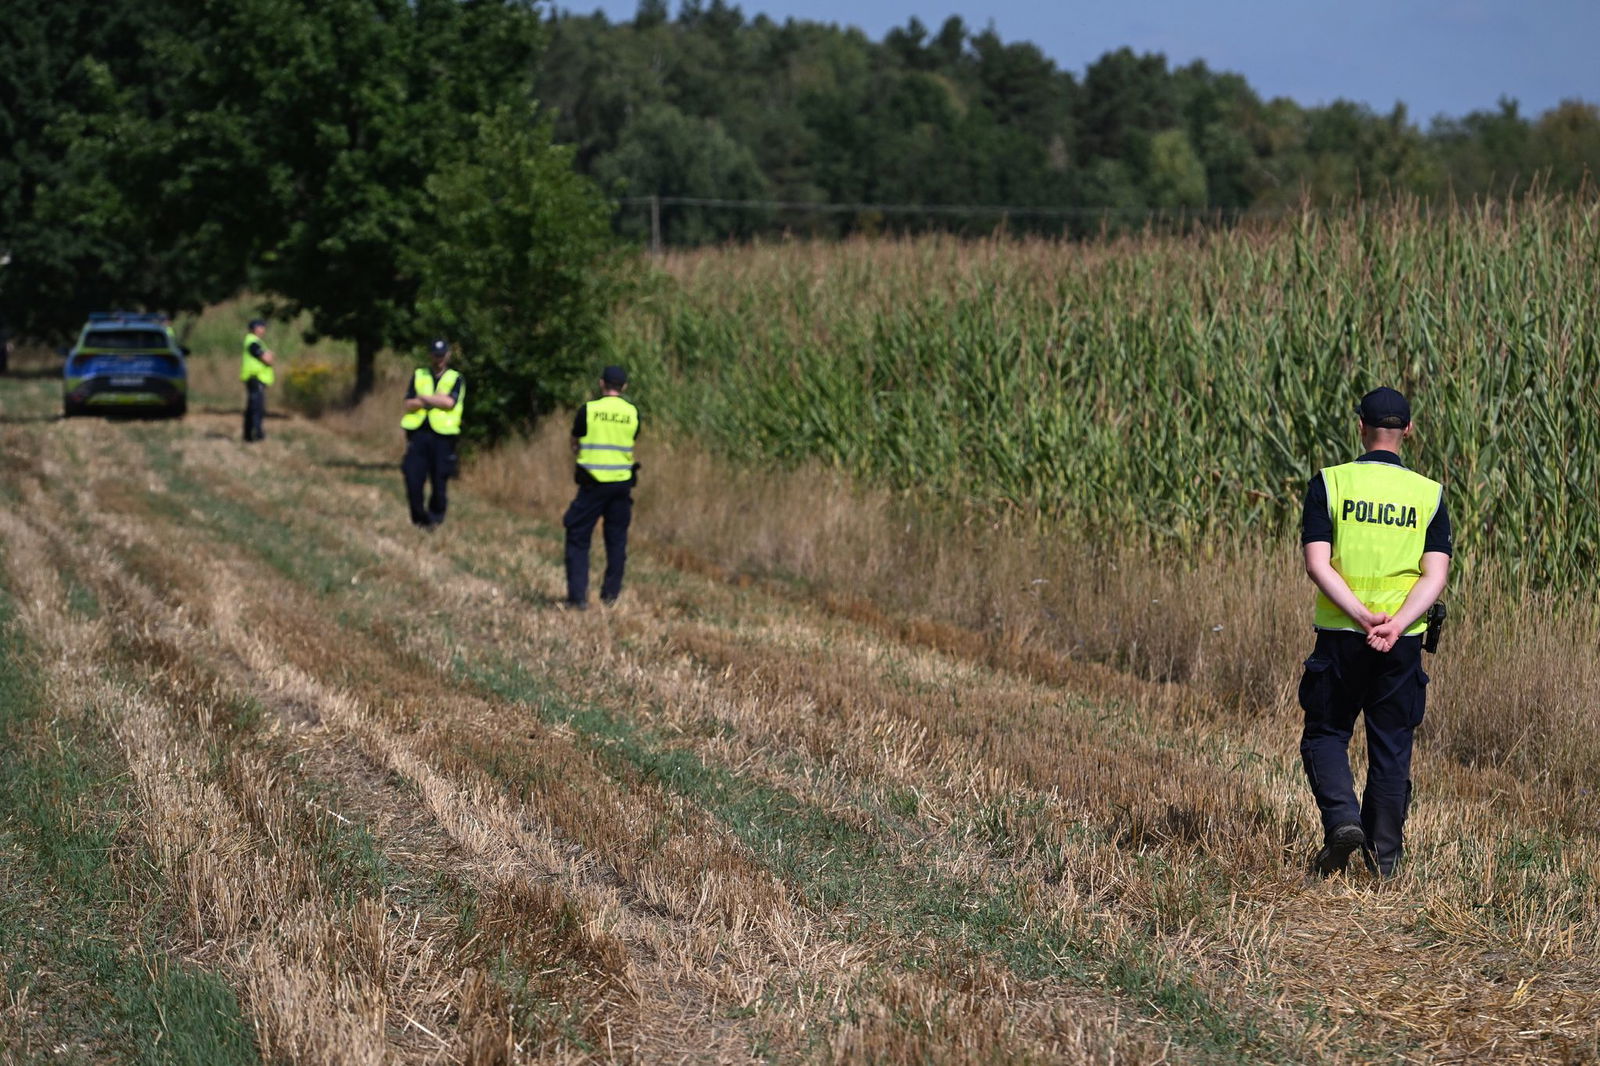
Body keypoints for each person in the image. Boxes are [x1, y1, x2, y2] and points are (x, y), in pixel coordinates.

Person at [1298, 386, 1452, 878]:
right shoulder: (1429, 494)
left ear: (1359, 425)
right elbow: (1435, 575)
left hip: (1343, 636)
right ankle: (1382, 862)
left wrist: (1362, 616)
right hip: (1401, 643)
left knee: (1325, 734)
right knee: (1391, 747)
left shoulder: (1331, 483)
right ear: (1408, 430)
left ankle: (1343, 819)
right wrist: (1399, 623)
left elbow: (1317, 565)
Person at [563, 365, 640, 608]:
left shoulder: (589, 410)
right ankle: (610, 596)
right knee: (616, 540)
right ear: (624, 386)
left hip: (592, 484)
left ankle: (578, 598)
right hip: (621, 485)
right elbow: (631, 439)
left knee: (577, 536)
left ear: (601, 383)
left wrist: (581, 452)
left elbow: (575, 440)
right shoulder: (633, 413)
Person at [401, 338, 464, 529]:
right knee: (412, 476)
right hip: (419, 434)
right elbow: (408, 403)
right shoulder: (419, 374)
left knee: (439, 480)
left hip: (443, 438)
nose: (439, 359)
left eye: (442, 355)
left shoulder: (455, 378)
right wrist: (435, 400)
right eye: (436, 355)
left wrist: (424, 399)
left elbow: (449, 403)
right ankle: (419, 516)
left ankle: (435, 518)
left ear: (448, 356)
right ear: (430, 355)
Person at [241, 318, 275, 441]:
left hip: (255, 378)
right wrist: (269, 355)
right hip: (256, 378)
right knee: (257, 408)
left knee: (252, 407)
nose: (263, 329)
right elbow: (267, 359)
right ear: (255, 328)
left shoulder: (255, 341)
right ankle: (257, 434)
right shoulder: (253, 342)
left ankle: (248, 435)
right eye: (261, 326)